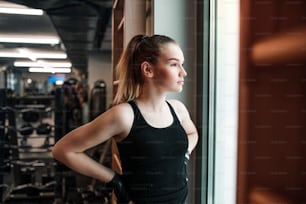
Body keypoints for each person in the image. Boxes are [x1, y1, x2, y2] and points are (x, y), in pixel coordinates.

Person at [52, 34, 198, 204]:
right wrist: (115, 180)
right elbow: (62, 150)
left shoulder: (178, 109)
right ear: (148, 70)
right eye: (174, 64)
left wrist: (184, 154)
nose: (184, 72)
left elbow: (192, 133)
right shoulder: (124, 115)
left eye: (182, 64)